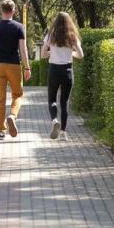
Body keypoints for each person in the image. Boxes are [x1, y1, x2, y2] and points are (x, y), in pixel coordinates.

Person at [0, 0, 32, 140]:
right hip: (14, 65)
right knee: (17, 94)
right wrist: (27, 67)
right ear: (14, 11)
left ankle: (1, 130)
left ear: (1, 10)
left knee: (0, 98)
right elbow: (23, 50)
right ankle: (12, 115)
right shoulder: (19, 27)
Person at [41, 12, 83, 141]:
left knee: (52, 99)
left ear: (56, 22)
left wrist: (51, 53)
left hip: (54, 70)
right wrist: (71, 54)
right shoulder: (72, 36)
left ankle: (54, 120)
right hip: (68, 71)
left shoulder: (51, 35)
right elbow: (81, 55)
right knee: (64, 102)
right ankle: (63, 133)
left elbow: (43, 54)